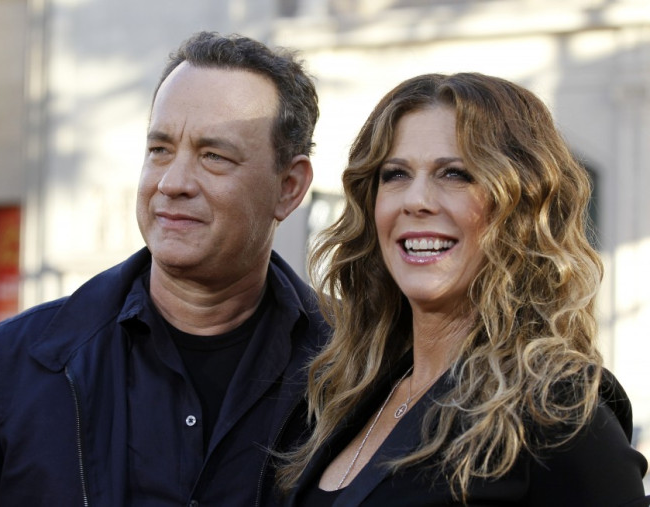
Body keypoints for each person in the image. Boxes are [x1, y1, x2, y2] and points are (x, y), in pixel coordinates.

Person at [0, 31, 328, 506]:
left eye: (214, 156)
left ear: (289, 187)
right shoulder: (21, 361)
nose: (172, 182)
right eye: (160, 149)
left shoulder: (356, 365)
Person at [273, 73, 650, 505]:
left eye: (455, 174)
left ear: (521, 208)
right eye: (395, 174)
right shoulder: (343, 394)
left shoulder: (559, 412)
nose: (416, 200)